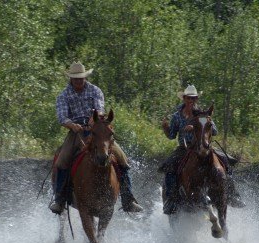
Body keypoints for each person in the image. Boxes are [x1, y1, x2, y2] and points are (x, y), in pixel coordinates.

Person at [49, 61, 143, 214]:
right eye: (76, 78)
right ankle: (60, 199)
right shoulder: (63, 95)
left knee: (122, 160)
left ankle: (128, 199)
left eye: (81, 78)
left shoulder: (95, 91)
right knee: (62, 160)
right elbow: (62, 117)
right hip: (76, 132)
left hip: (97, 130)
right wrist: (72, 125)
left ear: (85, 77)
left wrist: (96, 118)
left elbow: (99, 108)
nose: (79, 81)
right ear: (71, 79)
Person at [160, 84, 245, 214]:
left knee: (225, 162)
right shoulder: (177, 116)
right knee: (169, 167)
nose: (191, 101)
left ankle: (233, 195)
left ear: (196, 100)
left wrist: (199, 127)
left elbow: (214, 131)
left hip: (203, 146)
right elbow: (171, 135)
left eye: (193, 98)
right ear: (184, 99)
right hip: (184, 147)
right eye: (188, 98)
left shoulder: (203, 114)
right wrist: (166, 128)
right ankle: (171, 200)